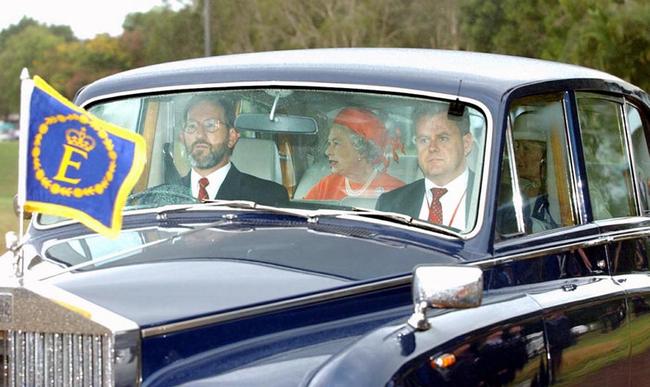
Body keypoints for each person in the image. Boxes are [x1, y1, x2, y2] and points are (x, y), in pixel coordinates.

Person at [179, 95, 288, 206]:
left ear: (231, 137)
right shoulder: (165, 194)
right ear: (182, 137)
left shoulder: (267, 196)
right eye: (191, 126)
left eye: (210, 125)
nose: (199, 134)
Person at [376, 107, 473, 230]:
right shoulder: (389, 205)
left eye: (442, 138)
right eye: (424, 140)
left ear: (467, 143)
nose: (432, 148)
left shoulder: (496, 202)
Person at [304, 107, 404, 200]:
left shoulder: (395, 190)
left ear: (362, 150)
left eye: (336, 143)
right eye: (329, 143)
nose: (327, 152)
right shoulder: (326, 185)